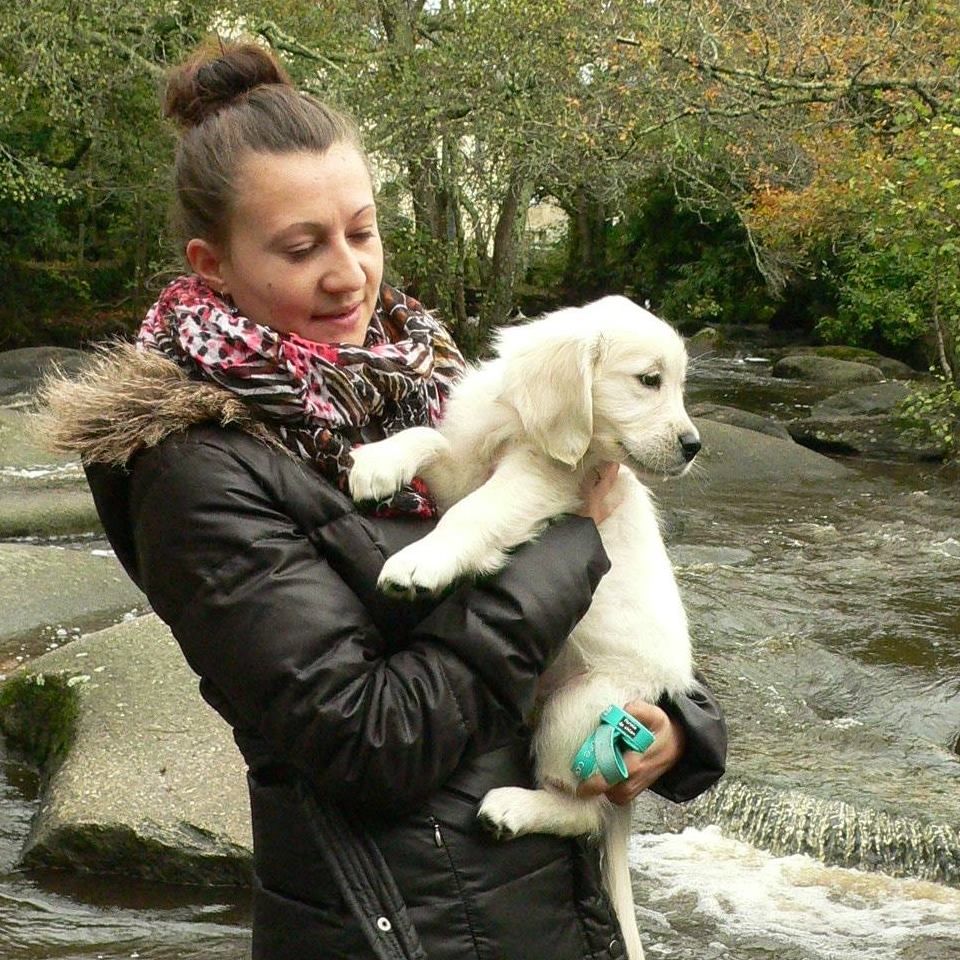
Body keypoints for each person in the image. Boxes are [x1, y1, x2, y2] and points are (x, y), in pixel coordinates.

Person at [45, 41, 726, 960]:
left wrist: (675, 733)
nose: (349, 275)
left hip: (542, 912)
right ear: (211, 265)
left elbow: (617, 615)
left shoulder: (422, 374)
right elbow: (370, 741)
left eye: (361, 232)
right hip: (396, 929)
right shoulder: (193, 465)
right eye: (301, 247)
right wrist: (573, 540)